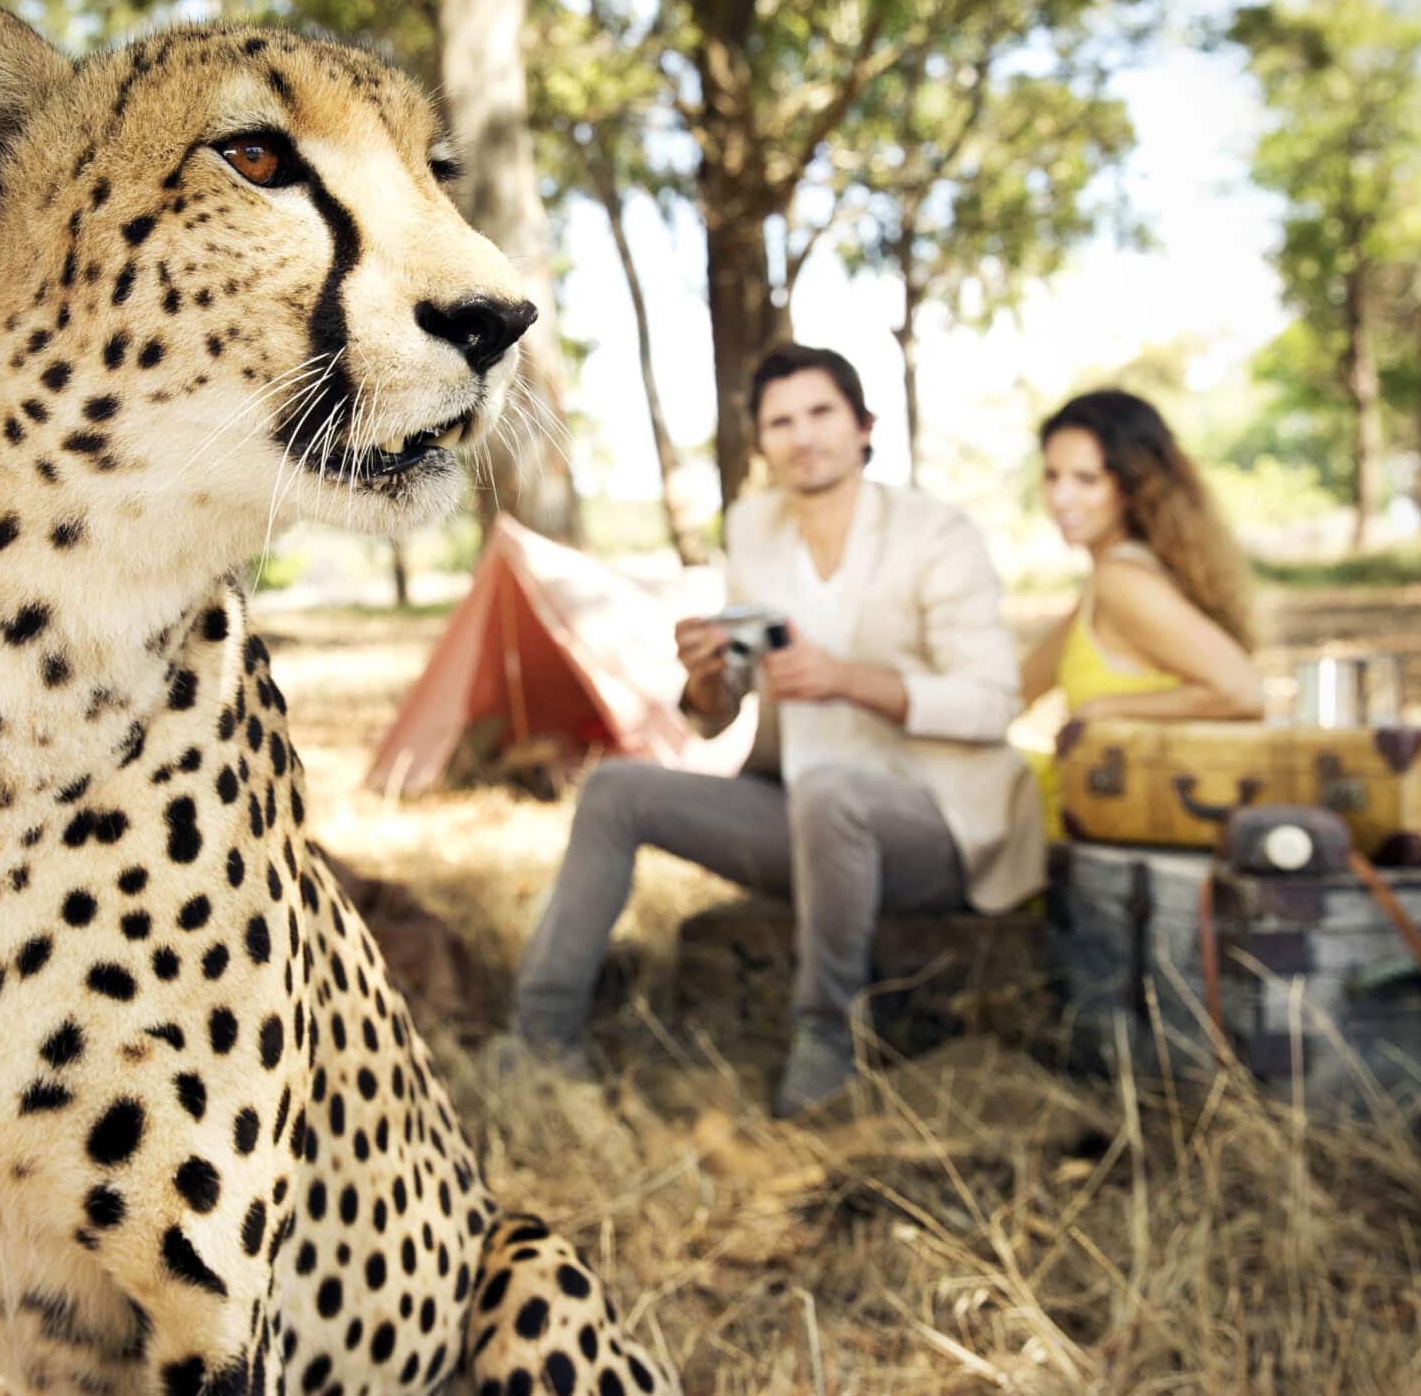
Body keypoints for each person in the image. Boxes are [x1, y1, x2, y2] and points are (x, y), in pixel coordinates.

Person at [508, 344, 1041, 1116]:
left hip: (940, 823)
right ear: (761, 442)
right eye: (780, 421)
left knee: (832, 793)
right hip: (800, 812)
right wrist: (704, 681)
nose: (803, 435)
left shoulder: (936, 533)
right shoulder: (754, 528)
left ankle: (825, 1033)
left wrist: (847, 679)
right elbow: (727, 705)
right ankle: (541, 1033)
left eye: (822, 412)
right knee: (618, 787)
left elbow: (994, 701)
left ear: (864, 426)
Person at [1017, 389, 1263, 834]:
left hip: (1117, 825)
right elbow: (1014, 692)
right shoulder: (1103, 584)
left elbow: (1243, 692)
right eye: (1052, 476)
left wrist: (1102, 710)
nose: (1060, 497)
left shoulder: (1122, 582)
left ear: (1132, 486)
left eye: (1086, 480)